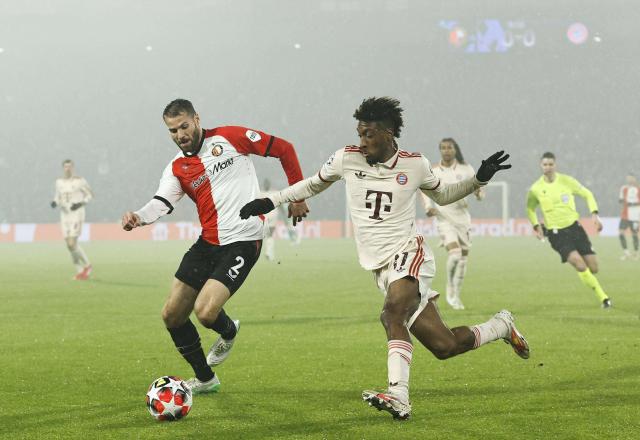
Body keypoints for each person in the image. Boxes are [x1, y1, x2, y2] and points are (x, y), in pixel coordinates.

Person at [239, 97, 529, 420]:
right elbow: (312, 184)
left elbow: (443, 195)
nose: (362, 142)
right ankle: (501, 326)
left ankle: (398, 396)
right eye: (359, 133)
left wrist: (479, 179)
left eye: (369, 134)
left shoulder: (415, 164)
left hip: (409, 253)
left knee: (392, 315)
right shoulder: (346, 158)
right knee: (444, 346)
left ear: (389, 133)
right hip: (380, 268)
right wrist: (271, 201)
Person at [121, 99, 308, 394]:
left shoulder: (230, 137)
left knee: (206, 313)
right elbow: (162, 202)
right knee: (171, 315)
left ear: (196, 119)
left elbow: (284, 148)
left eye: (184, 125)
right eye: (173, 130)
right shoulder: (177, 168)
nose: (180, 134)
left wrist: (297, 195)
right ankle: (206, 379)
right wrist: (138, 217)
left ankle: (228, 330)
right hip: (207, 243)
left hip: (244, 239)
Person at [526, 152, 612, 308]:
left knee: (594, 268)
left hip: (575, 229)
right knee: (579, 264)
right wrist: (535, 225)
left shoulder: (567, 181)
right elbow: (530, 208)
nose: (548, 167)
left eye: (550, 164)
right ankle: (604, 298)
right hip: (556, 234)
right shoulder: (536, 188)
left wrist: (594, 214)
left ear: (555, 165)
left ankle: (588, 279)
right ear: (541, 166)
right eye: (545, 164)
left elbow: (588, 194)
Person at [420, 138, 484, 310]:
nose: (446, 151)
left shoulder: (466, 169)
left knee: (463, 259)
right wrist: (428, 206)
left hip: (463, 219)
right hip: (443, 218)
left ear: (455, 150)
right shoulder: (433, 170)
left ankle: (456, 294)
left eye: (450, 147)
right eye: (443, 148)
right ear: (440, 150)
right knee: (455, 255)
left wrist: (478, 194)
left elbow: (479, 191)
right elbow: (424, 190)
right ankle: (449, 288)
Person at [51, 159, 93, 280]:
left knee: (71, 243)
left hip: (77, 213)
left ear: (73, 168)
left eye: (69, 167)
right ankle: (81, 271)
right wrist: (55, 202)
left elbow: (90, 195)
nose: (67, 169)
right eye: (65, 167)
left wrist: (80, 203)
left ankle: (87, 266)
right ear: (63, 168)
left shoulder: (80, 181)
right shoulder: (59, 182)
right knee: (69, 245)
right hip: (64, 215)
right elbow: (57, 196)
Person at [618, 174, 640, 260]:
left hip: (634, 215)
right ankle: (626, 253)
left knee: (634, 234)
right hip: (625, 214)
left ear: (634, 179)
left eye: (631, 178)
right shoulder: (624, 188)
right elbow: (620, 200)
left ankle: (636, 253)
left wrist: (633, 204)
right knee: (621, 232)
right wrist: (622, 202)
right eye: (628, 178)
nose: (629, 179)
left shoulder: (639, 188)